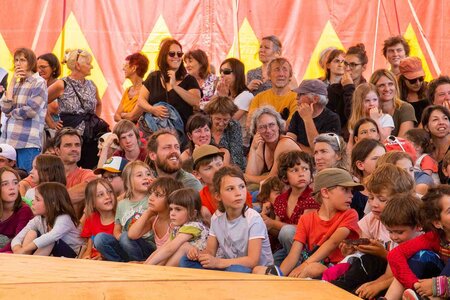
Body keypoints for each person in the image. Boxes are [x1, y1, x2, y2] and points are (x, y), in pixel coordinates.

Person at [255, 168, 362, 278]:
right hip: (309, 267)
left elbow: (332, 243)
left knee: (313, 269)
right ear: (325, 192)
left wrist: (304, 265)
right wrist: (280, 275)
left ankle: (290, 286)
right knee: (258, 270)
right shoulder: (306, 219)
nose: (351, 195)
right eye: (345, 190)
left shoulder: (350, 214)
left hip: (339, 270)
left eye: (351, 191)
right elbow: (293, 255)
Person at [179, 166, 273, 273]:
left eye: (241, 186)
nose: (238, 193)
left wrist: (218, 262)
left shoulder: (253, 219)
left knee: (235, 269)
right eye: (230, 189)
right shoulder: (217, 218)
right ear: (218, 196)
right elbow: (210, 252)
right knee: (186, 260)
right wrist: (196, 254)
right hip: (229, 265)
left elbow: (252, 261)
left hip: (256, 271)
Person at [328, 193, 422, 299]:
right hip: (393, 283)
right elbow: (389, 274)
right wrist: (373, 285)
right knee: (362, 287)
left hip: (414, 287)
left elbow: (409, 275)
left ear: (418, 226)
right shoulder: (398, 243)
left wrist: (378, 286)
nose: (394, 237)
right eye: (390, 232)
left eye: (399, 232)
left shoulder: (422, 249)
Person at [47, 49, 108, 169]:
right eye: (88, 63)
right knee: (69, 165)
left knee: (90, 166)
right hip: (70, 134)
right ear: (78, 65)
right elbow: (41, 101)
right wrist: (51, 123)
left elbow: (99, 104)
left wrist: (95, 121)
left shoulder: (92, 84)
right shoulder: (62, 84)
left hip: (90, 137)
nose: (91, 67)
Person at [388, 185, 450, 296]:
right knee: (418, 257)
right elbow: (395, 254)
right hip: (438, 285)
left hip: (443, 289)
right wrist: (415, 284)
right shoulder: (434, 237)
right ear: (437, 223)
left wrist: (438, 285)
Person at [95, 161, 155, 262]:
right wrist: (121, 239)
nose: (145, 177)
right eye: (139, 175)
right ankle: (121, 263)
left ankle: (140, 262)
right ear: (128, 181)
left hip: (147, 245)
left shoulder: (153, 199)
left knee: (126, 237)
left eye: (148, 174)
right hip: (126, 243)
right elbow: (117, 229)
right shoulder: (122, 204)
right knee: (100, 238)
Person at [268, 150, 320, 265]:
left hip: (307, 247)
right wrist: (266, 224)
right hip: (286, 247)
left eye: (305, 169)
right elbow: (278, 233)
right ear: (285, 177)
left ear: (311, 174)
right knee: (270, 266)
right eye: (294, 170)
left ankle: (300, 267)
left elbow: (305, 230)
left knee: (288, 231)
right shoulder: (280, 199)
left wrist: (272, 223)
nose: (301, 173)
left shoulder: (312, 197)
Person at [1, 48, 48, 173]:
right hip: (9, 141)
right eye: (16, 60)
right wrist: (11, 83)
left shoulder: (39, 82)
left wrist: (12, 113)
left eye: (22, 60)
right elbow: (5, 108)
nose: (18, 63)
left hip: (27, 142)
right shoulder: (16, 83)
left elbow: (31, 110)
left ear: (31, 62)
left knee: (26, 177)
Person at [137, 38, 201, 127]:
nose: (176, 57)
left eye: (179, 54)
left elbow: (196, 101)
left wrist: (175, 86)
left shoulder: (189, 80)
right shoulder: (153, 77)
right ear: (164, 56)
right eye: (172, 54)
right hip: (155, 133)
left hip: (180, 134)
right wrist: (153, 109)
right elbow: (140, 100)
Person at [11, 182, 83, 257]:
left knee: (48, 241)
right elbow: (18, 237)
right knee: (31, 233)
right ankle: (22, 259)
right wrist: (17, 250)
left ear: (53, 204)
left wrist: (24, 250)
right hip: (51, 253)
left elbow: (51, 237)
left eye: (37, 199)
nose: (33, 202)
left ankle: (31, 265)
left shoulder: (64, 218)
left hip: (72, 255)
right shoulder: (39, 219)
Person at [144, 188, 209, 266]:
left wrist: (147, 266)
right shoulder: (177, 228)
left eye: (178, 209)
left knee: (182, 247)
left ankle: (163, 273)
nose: (172, 213)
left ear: (193, 213)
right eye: (171, 209)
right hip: (188, 262)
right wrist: (146, 264)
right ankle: (154, 271)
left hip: (202, 264)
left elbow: (170, 249)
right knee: (164, 252)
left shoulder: (194, 226)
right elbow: (163, 248)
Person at [193, 144, 253, 220]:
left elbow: (248, 215)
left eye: (219, 164)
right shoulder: (200, 199)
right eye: (208, 168)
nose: (217, 170)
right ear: (197, 174)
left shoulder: (237, 188)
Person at [245, 106, 300, 184]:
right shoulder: (261, 144)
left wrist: (247, 177)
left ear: (278, 126)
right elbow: (251, 175)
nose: (268, 130)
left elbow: (272, 179)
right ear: (256, 131)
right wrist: (253, 149)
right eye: (262, 127)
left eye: (271, 125)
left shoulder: (285, 143)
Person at [54, 128, 97, 218]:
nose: (74, 149)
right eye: (68, 145)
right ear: (57, 150)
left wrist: (51, 202)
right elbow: (25, 184)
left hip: (75, 227)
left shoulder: (87, 174)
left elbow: (88, 188)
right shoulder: (49, 173)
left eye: (77, 145)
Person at [287, 79, 341, 153]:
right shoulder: (297, 115)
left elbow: (318, 150)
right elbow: (288, 144)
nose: (297, 98)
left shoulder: (332, 119)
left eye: (301, 94)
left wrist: (307, 119)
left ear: (315, 99)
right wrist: (310, 151)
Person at [327, 44, 368, 135]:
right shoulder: (333, 90)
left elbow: (353, 117)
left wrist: (349, 87)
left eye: (353, 64)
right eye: (346, 63)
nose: (348, 68)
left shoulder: (368, 90)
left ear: (364, 67)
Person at [248, 57, 298, 125]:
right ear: (269, 75)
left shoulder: (297, 99)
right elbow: (250, 124)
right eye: (277, 70)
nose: (281, 74)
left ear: (290, 76)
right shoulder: (258, 98)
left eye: (285, 70)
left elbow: (292, 126)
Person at [215, 58, 253, 146]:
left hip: (239, 145)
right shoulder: (226, 94)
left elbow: (226, 121)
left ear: (237, 74)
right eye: (220, 71)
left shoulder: (246, 96)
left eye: (226, 72)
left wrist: (223, 98)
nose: (222, 75)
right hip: (223, 141)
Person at [370, 69, 416, 137]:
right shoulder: (368, 108)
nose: (387, 89)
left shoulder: (406, 108)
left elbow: (402, 142)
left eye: (390, 84)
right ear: (373, 88)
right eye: (382, 85)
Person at [203, 97, 245, 169]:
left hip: (230, 169)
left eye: (225, 119)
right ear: (211, 115)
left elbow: (237, 157)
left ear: (231, 117)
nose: (221, 123)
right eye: (218, 119)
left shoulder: (233, 125)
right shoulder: (203, 126)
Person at [80, 179, 117, 260]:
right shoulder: (91, 218)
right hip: (94, 256)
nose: (107, 196)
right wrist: (87, 253)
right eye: (101, 195)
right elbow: (91, 238)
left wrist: (103, 256)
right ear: (92, 202)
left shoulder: (120, 217)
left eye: (110, 192)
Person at [350, 138, 386, 219]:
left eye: (384, 157)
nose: (383, 162)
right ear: (360, 165)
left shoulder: (393, 190)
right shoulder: (351, 195)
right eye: (376, 158)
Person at [0, 167, 33, 253]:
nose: (12, 187)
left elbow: (18, 242)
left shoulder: (24, 210)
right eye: (5, 184)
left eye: (15, 183)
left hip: (13, 255)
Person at [114, 52, 149, 123]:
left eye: (126, 65)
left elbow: (132, 117)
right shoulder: (128, 90)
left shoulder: (145, 91)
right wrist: (125, 123)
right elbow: (116, 116)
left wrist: (122, 115)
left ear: (134, 68)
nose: (123, 68)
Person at [421, 105, 450, 184]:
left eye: (445, 118)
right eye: (435, 119)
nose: (441, 122)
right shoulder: (424, 150)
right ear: (427, 127)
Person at [37, 53, 63, 134]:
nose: (39, 70)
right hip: (38, 130)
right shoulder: (36, 84)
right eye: (37, 67)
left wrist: (51, 123)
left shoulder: (60, 85)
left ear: (54, 68)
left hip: (55, 133)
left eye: (43, 67)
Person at [398, 56, 429, 123]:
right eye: (413, 80)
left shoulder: (429, 90)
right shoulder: (396, 96)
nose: (418, 83)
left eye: (421, 79)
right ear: (403, 79)